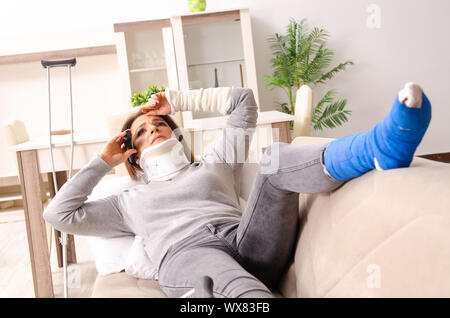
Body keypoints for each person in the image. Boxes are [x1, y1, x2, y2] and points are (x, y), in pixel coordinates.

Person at [43, 83, 431, 298]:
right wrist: (103, 161)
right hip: (188, 255)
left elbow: (244, 101)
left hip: (247, 237)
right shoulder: (127, 201)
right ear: (134, 155)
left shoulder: (213, 162)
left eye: (159, 122)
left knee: (274, 158)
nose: (153, 128)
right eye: (141, 131)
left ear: (176, 133)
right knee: (233, 287)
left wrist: (177, 100)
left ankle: (376, 149)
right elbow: (58, 214)